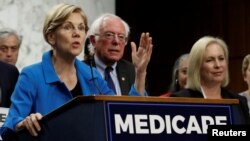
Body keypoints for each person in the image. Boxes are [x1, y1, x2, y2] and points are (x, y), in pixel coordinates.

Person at [0, 3, 152, 140]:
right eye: (68, 27)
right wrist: (23, 123)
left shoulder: (92, 76)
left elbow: (122, 115)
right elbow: (8, 126)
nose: (77, 33)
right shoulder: (31, 75)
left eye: (81, 27)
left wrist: (140, 72)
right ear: (51, 36)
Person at [172, 36, 250, 124]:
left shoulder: (239, 102)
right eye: (210, 60)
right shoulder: (180, 100)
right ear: (197, 66)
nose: (217, 65)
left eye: (221, 59)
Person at [84, 13, 152, 95]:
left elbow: (141, 106)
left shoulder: (133, 71)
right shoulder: (81, 70)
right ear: (93, 40)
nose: (116, 41)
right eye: (109, 35)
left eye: (121, 37)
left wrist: (140, 72)